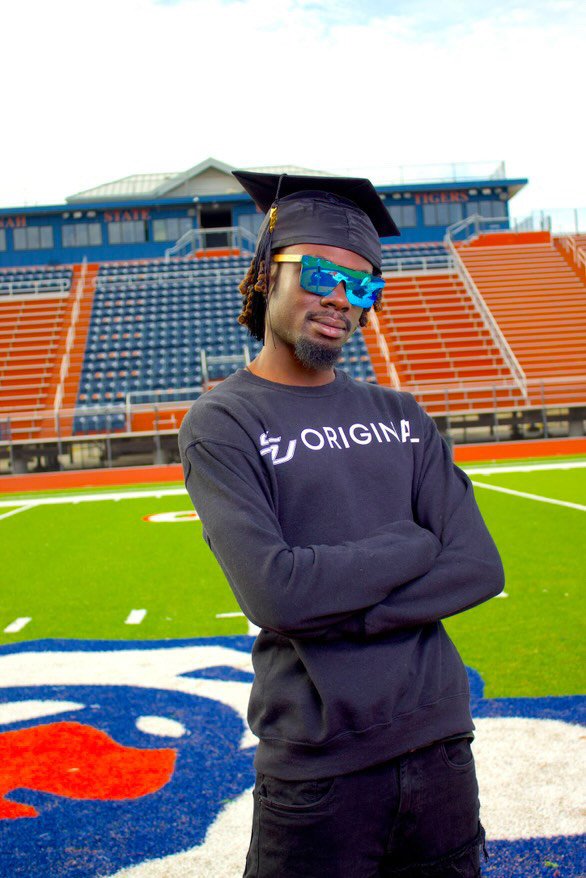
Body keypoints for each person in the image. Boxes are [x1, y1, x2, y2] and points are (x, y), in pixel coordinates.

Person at [178, 170, 504, 878]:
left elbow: (479, 566)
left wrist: (338, 615)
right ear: (268, 271)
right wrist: (411, 543)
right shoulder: (226, 421)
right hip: (320, 770)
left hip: (442, 747)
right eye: (322, 273)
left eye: (363, 288)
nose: (341, 300)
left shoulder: (402, 416)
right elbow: (279, 597)